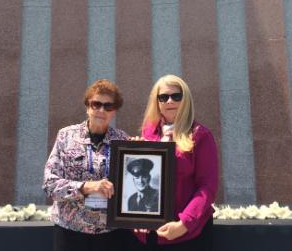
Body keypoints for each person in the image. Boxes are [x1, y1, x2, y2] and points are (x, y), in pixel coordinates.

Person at [128, 74, 218, 251]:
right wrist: (136, 217)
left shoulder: (201, 136)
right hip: (149, 235)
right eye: (163, 97)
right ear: (157, 102)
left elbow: (207, 187)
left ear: (185, 100)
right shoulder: (148, 133)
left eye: (176, 96)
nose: (170, 101)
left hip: (187, 235)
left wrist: (184, 223)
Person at [42, 79, 129, 251]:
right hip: (70, 231)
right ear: (87, 106)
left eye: (108, 106)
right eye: (96, 104)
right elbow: (49, 184)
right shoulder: (66, 136)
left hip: (110, 234)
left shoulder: (123, 141)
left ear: (114, 111)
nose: (101, 110)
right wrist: (86, 187)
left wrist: (143, 150)